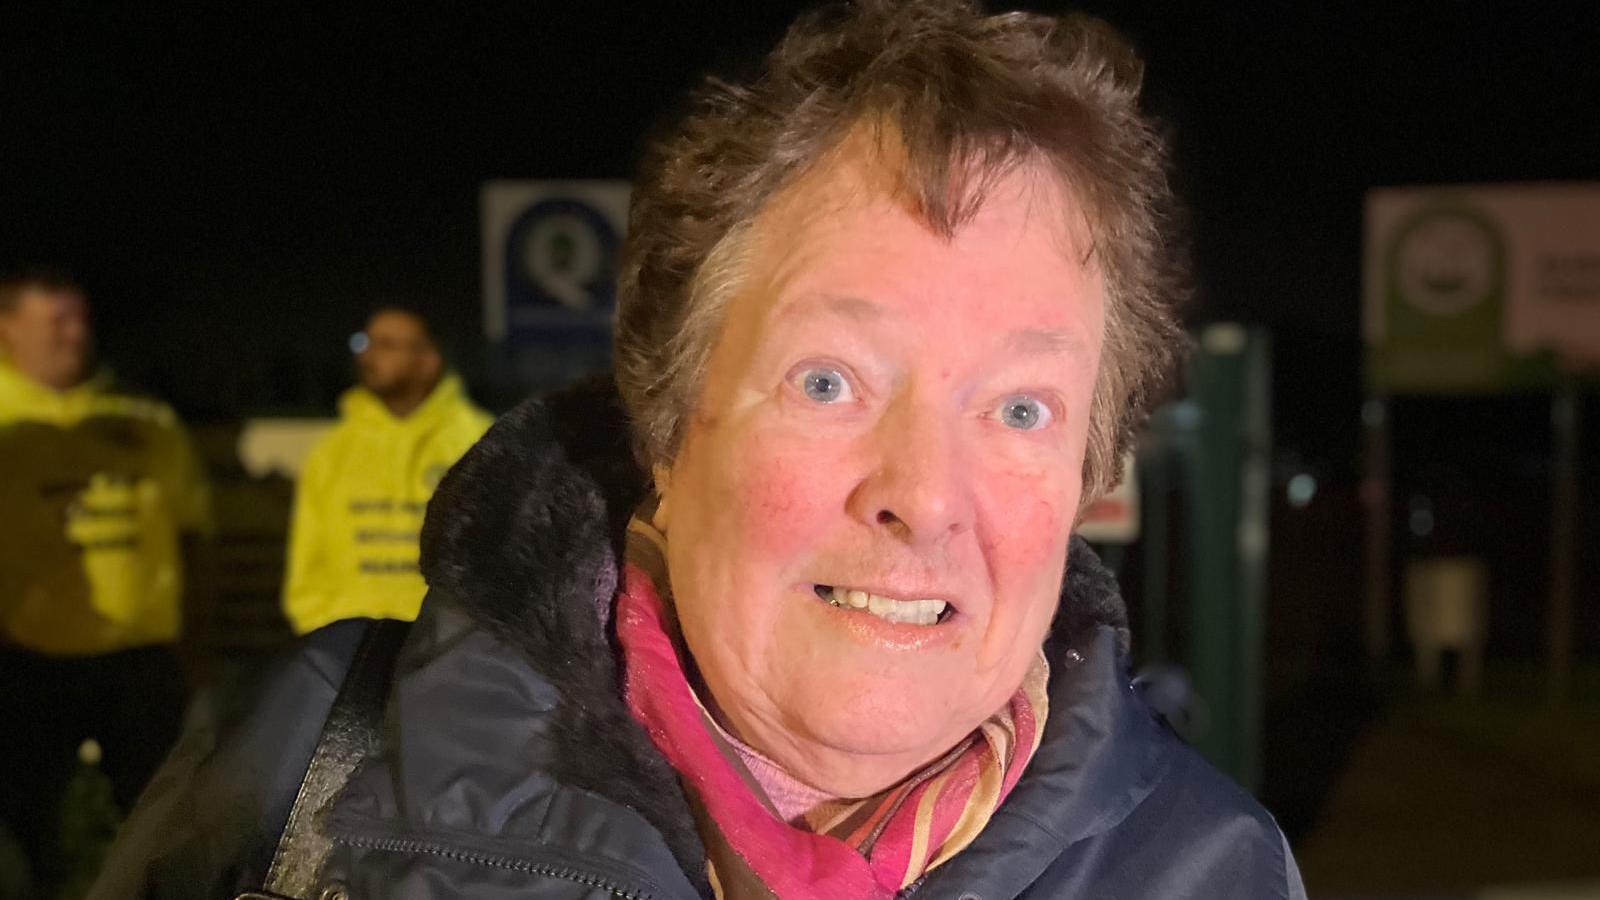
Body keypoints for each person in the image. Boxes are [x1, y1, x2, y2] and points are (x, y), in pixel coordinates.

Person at [94, 2, 1307, 897]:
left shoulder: (1214, 870)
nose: (923, 498)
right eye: (828, 381)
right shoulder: (302, 774)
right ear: (668, 426)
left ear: (1091, 470)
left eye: (1022, 409)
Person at [0, 268, 209, 890]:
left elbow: (195, 536)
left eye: (81, 317)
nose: (76, 331)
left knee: (166, 825)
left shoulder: (145, 419)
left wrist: (194, 646)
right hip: (25, 666)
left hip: (138, 666)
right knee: (24, 830)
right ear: (7, 326)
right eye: (56, 320)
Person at [281, 307, 492, 634]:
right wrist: (324, 633)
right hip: (346, 646)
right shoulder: (332, 451)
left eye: (387, 344)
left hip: (445, 646)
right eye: (367, 343)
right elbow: (306, 568)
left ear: (428, 360)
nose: (368, 355)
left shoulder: (478, 442)